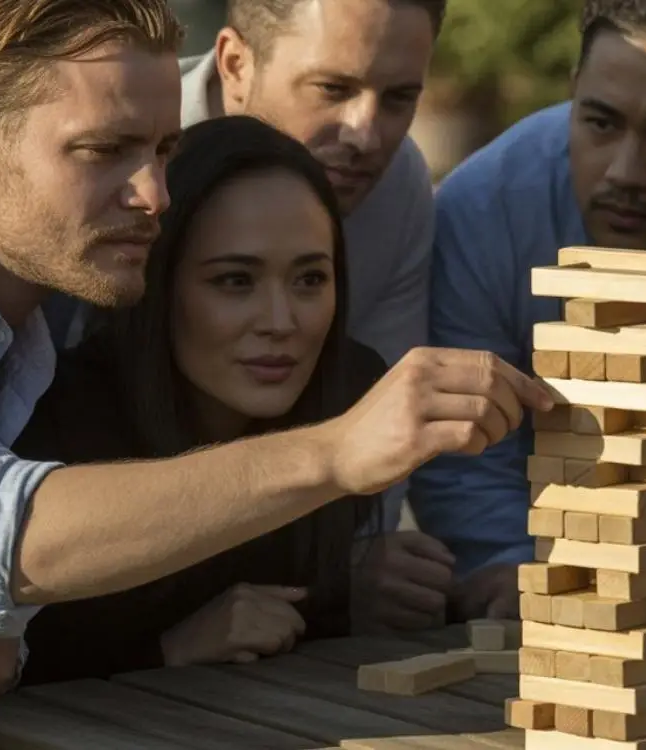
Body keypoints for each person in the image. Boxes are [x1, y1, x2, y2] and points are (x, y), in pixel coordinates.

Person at [0, 0, 551, 710]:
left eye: (165, 151)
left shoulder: (27, 344)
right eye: (103, 151)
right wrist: (333, 453)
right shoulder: (78, 372)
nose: (154, 195)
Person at [411, 0, 646, 621]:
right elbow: (464, 446)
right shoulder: (482, 211)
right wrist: (522, 568)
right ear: (572, 96)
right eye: (600, 123)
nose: (625, 172)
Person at [14, 115, 387, 683]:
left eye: (310, 280)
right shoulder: (59, 423)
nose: (281, 322)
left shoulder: (356, 396)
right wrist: (163, 651)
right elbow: (3, 674)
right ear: (160, 285)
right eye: (235, 281)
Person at [177, 0, 451, 632]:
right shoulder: (118, 157)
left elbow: (374, 417)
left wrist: (350, 566)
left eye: (400, 98)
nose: (366, 135)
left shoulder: (396, 183)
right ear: (236, 64)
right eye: (333, 89)